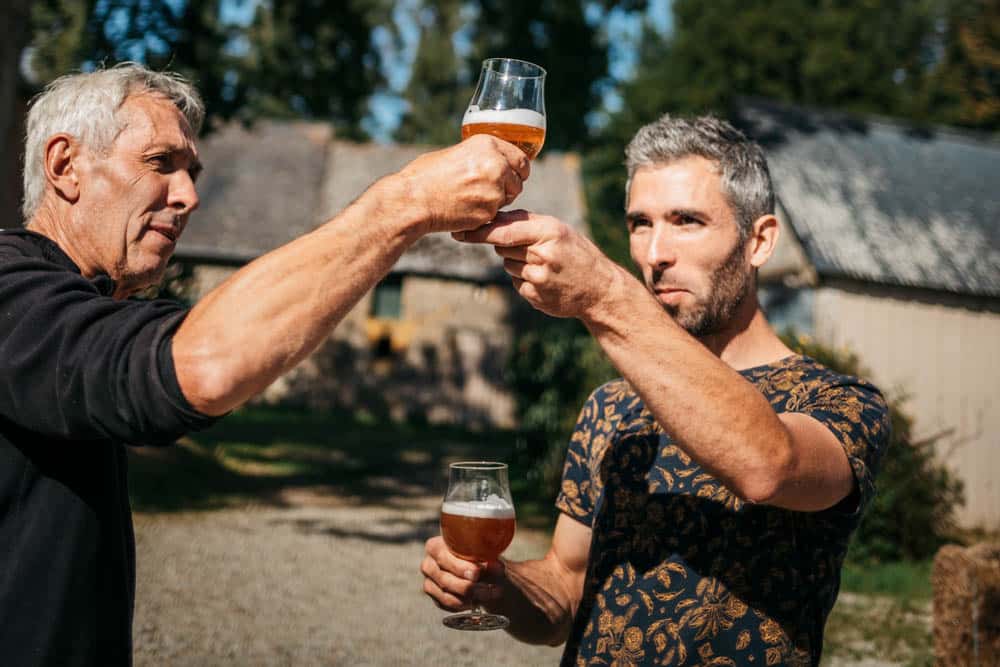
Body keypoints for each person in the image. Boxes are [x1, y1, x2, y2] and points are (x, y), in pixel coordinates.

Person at [0, 63, 530, 667]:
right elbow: (197, 369)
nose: (189, 196)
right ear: (65, 166)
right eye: (160, 163)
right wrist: (405, 204)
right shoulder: (7, 287)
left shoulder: (71, 305)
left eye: (191, 172)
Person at [421, 115, 891, 666]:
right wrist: (495, 586)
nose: (654, 252)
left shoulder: (841, 403)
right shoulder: (612, 405)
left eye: (686, 221)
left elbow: (767, 467)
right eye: (640, 224)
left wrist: (603, 293)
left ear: (759, 241)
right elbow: (567, 591)